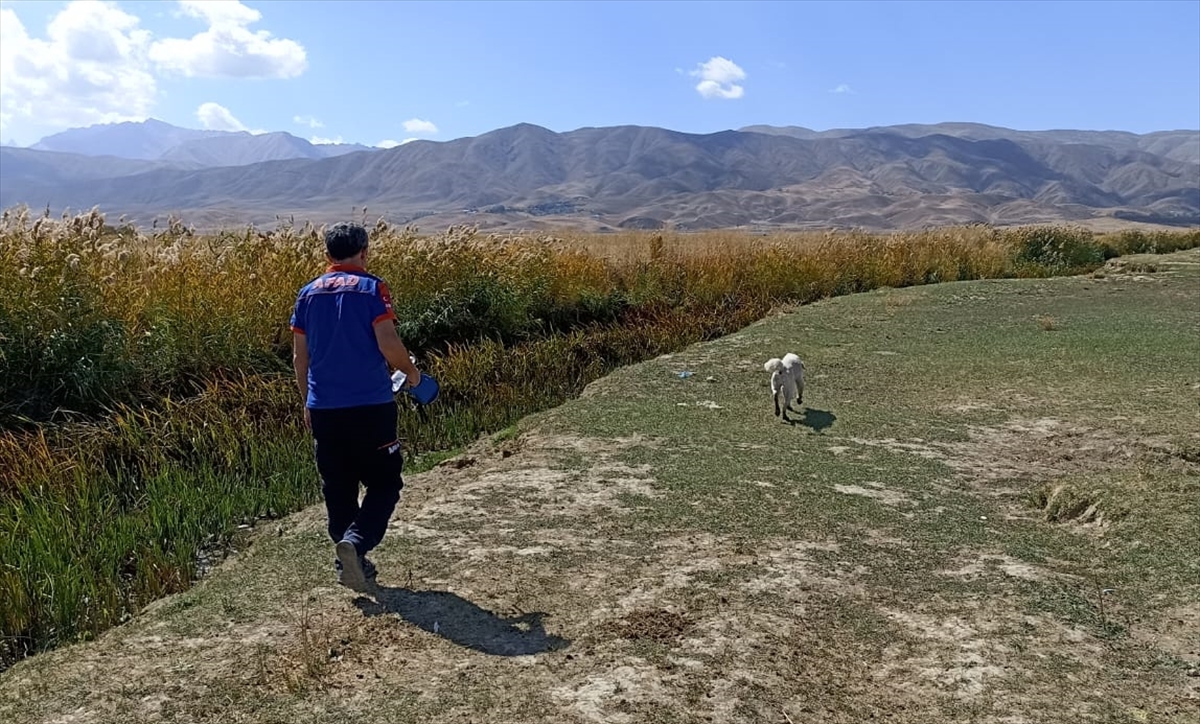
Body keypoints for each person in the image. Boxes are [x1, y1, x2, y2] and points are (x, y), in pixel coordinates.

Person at [290, 222, 422, 591]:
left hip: (324, 408)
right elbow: (388, 342)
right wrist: (412, 374)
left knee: (338, 485)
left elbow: (301, 358)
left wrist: (307, 402)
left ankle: (349, 561)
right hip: (370, 406)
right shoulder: (372, 288)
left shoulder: (307, 294)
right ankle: (356, 543)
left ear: (327, 254)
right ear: (364, 251)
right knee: (385, 482)